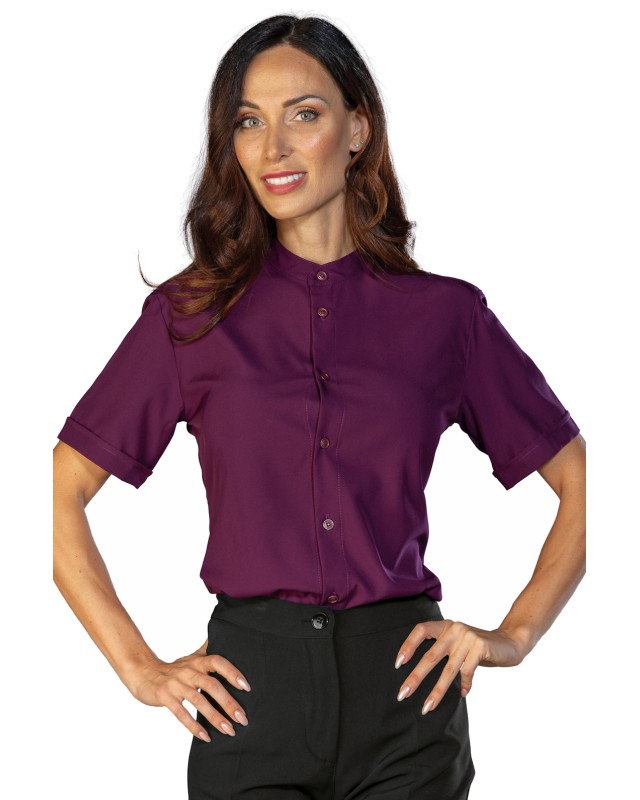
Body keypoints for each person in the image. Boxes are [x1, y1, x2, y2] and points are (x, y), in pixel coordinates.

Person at [52, 13, 586, 800]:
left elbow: (583, 481)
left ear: (358, 128)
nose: (273, 148)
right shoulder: (190, 316)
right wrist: (138, 666)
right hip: (250, 695)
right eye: (248, 122)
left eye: (303, 114)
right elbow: (61, 488)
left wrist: (515, 634)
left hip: (407, 694)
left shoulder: (447, 316)